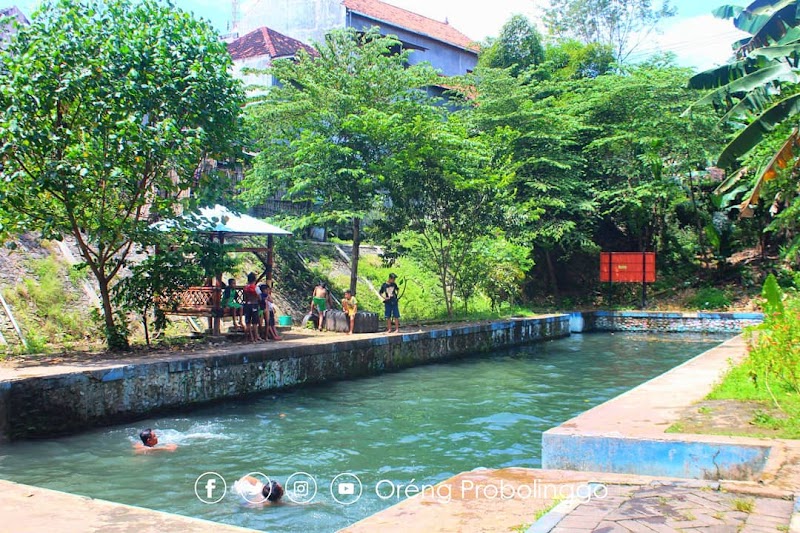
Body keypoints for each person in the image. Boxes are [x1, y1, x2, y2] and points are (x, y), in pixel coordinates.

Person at [243, 272, 263, 342]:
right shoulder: (256, 288)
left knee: (247, 322)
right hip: (254, 304)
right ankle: (255, 337)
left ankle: (248, 338)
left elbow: (244, 298)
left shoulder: (245, 287)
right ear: (255, 279)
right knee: (254, 322)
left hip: (247, 305)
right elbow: (260, 297)